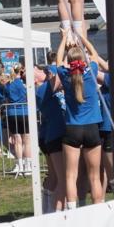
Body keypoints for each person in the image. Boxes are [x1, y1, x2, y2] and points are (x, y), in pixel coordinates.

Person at [53, 39, 107, 208]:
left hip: (72, 129)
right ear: (84, 60)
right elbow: (95, 55)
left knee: (70, 175)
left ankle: (72, 210)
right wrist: (82, 39)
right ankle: (98, 208)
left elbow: (58, 60)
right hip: (92, 128)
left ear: (69, 62)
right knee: (94, 176)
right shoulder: (91, 72)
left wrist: (63, 38)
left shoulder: (65, 75)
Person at [35, 65, 67, 211]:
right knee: (61, 178)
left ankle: (47, 209)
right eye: (44, 71)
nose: (48, 72)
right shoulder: (42, 90)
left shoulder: (51, 90)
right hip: (53, 136)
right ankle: (54, 210)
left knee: (54, 177)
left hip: (51, 134)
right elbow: (60, 76)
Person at [1, 67, 32, 175]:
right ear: (20, 72)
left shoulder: (8, 85)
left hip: (12, 113)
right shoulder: (22, 84)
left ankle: (19, 164)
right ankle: (27, 166)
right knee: (26, 140)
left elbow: (6, 98)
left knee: (17, 140)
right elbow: (28, 96)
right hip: (24, 112)